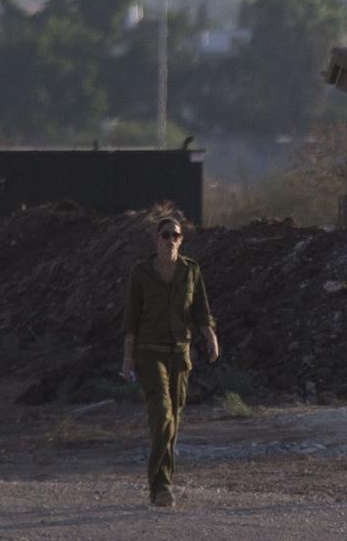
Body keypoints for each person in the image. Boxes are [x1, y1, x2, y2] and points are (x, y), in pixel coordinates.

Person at [120, 216, 219, 508]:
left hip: (180, 353)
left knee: (173, 422)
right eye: (165, 235)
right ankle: (160, 485)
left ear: (181, 240)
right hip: (149, 353)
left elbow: (201, 310)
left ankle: (165, 482)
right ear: (155, 239)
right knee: (162, 415)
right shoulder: (141, 273)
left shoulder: (191, 271)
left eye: (175, 235)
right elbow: (131, 320)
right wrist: (127, 358)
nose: (170, 240)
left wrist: (210, 337)